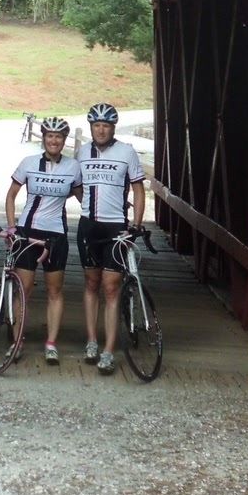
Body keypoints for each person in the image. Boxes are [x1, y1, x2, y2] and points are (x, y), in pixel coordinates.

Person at [75, 102, 146, 375]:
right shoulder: (82, 152)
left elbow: (139, 190)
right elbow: (77, 186)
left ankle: (108, 350)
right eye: (96, 125)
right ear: (91, 127)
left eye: (105, 125)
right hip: (88, 227)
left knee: (111, 288)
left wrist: (136, 224)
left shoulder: (126, 152)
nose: (101, 130)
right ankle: (92, 340)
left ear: (113, 128)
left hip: (115, 227)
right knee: (91, 283)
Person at [3, 115, 81, 365]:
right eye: (49, 136)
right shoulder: (28, 163)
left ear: (64, 140)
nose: (54, 141)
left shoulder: (73, 167)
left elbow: (83, 197)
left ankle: (50, 344)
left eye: (58, 137)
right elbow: (11, 195)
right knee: (23, 290)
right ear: (44, 138)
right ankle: (17, 342)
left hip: (56, 234)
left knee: (54, 290)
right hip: (28, 232)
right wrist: (13, 226)